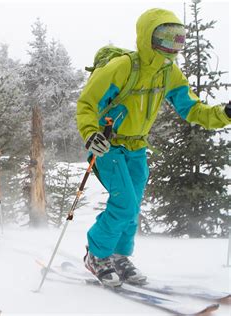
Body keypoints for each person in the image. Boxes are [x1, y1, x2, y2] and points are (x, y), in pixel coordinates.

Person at [76, 8, 231, 287]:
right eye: (165, 38)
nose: (172, 46)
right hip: (107, 145)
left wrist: (224, 114)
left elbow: (192, 108)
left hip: (136, 147)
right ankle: (97, 255)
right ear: (148, 36)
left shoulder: (168, 72)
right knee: (123, 203)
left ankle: (120, 256)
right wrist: (91, 134)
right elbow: (87, 103)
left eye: (178, 39)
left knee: (132, 206)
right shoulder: (121, 67)